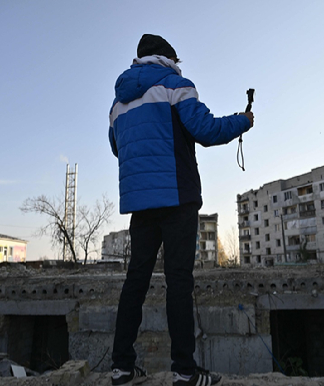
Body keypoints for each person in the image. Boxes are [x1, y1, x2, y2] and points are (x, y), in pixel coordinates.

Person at [109, 34, 254, 386]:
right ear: (168, 58)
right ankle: (184, 371)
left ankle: (121, 367)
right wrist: (243, 121)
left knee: (135, 282)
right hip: (176, 198)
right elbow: (204, 129)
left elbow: (119, 148)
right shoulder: (177, 86)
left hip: (141, 205)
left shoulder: (118, 103)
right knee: (178, 283)